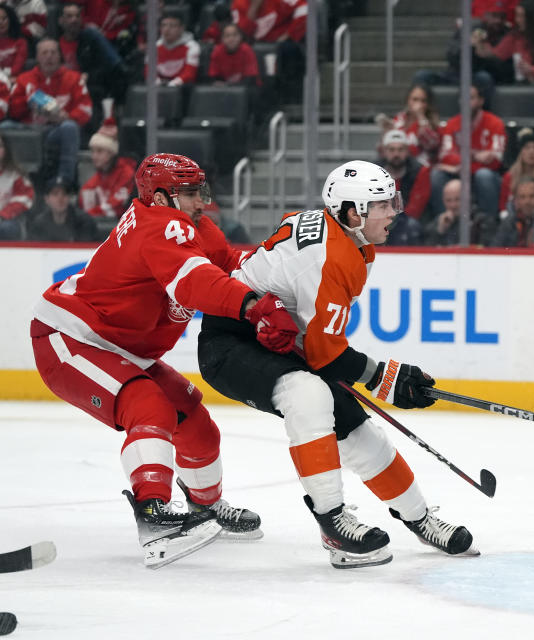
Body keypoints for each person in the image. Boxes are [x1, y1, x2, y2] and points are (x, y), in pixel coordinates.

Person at [196, 160, 478, 568]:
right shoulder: (332, 257)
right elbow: (325, 355)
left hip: (277, 339)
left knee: (356, 426)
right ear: (352, 213)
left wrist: (382, 378)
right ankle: (333, 526)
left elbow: (318, 345)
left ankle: (420, 519)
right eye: (383, 204)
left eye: (393, 201)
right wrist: (387, 378)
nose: (394, 211)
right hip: (230, 344)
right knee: (309, 396)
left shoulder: (348, 241)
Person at [30, 153, 301, 568]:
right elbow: (196, 282)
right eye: (189, 193)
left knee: (195, 421)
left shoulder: (192, 227)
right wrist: (253, 307)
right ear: (159, 197)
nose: (201, 202)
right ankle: (154, 515)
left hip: (121, 346)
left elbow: (230, 265)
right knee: (149, 407)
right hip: (71, 338)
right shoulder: (158, 226)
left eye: (200, 191)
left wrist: (281, 264)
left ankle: (204, 508)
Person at [8, 37, 92, 188]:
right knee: (4, 127)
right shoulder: (24, 79)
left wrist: (66, 117)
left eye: (53, 52)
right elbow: (13, 110)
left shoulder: (74, 79)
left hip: (55, 131)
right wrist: (27, 102)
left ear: (60, 56)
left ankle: (64, 181)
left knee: (70, 128)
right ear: (38, 57)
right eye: (44, 53)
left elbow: (86, 110)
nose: (49, 56)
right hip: (29, 130)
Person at [430, 84, 505, 220]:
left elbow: (495, 160)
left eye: (471, 98)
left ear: (481, 101)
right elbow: (446, 156)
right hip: (460, 173)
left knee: (484, 175)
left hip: (482, 174)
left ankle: (488, 224)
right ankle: (444, 221)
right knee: (437, 175)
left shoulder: (495, 123)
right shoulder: (452, 124)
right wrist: (476, 156)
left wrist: (463, 160)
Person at [479, 0, 534, 91]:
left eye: (521, 16)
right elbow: (496, 54)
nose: (517, 20)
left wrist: (532, 69)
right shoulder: (517, 34)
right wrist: (480, 42)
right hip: (525, 80)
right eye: (517, 15)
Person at [58, 2, 126, 112]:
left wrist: (88, 76)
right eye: (69, 16)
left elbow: (108, 68)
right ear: (61, 20)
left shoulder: (91, 40)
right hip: (61, 91)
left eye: (77, 16)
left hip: (87, 91)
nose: (74, 20)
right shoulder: (53, 44)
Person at [79, 117, 136, 219]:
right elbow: (84, 207)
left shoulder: (127, 173)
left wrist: (88, 215)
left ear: (111, 153)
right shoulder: (93, 181)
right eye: (93, 151)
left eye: (100, 151)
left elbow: (117, 207)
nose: (94, 156)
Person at [375, 84, 442, 169]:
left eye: (423, 101)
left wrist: (420, 116)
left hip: (422, 167)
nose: (419, 104)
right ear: (408, 100)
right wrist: (386, 133)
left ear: (428, 104)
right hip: (399, 164)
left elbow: (431, 145)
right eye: (415, 99)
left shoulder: (432, 122)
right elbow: (382, 150)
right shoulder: (400, 119)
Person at [377, 129, 431, 222]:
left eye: (400, 149)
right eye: (391, 149)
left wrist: (394, 221)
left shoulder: (420, 171)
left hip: (409, 221)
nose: (396, 154)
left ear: (407, 151)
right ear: (384, 151)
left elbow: (416, 208)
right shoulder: (374, 170)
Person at [25, 176, 100, 242]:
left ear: (70, 198)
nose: (60, 198)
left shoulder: (84, 222)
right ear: (46, 199)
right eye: (55, 194)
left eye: (65, 194)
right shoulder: (39, 223)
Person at [490, 176, 534, 247]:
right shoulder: (510, 220)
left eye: (532, 196)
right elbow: (495, 248)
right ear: (516, 200)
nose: (527, 202)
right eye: (522, 197)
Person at [148, 10, 200, 87]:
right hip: (159, 88)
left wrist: (172, 85)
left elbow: (189, 74)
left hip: (182, 88)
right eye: (163, 25)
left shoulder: (192, 47)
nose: (166, 29)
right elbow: (149, 72)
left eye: (172, 26)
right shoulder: (154, 47)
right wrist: (158, 83)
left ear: (182, 28)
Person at [0, 129, 32, 240]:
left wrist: (3, 215)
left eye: (0, 146)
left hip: (8, 220)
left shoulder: (15, 175)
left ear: (6, 150)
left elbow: (25, 198)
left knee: (6, 228)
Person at [206, 22, 260, 87]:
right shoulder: (217, 51)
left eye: (235, 35)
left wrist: (229, 85)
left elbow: (251, 78)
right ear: (222, 39)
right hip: (224, 90)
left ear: (240, 37)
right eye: (227, 36)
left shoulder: (247, 50)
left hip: (246, 89)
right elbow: (213, 77)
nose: (231, 39)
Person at [0, 4, 26, 77]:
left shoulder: (20, 42)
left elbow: (17, 68)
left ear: (11, 20)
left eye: (4, 18)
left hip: (13, 80)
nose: (0, 22)